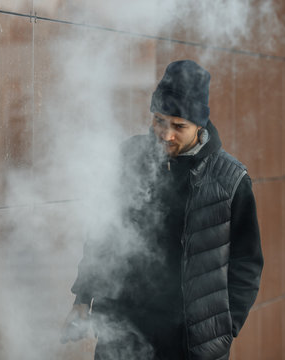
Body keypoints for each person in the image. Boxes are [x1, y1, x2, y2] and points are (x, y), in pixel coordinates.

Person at [61, 60, 263, 360]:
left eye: (179, 126)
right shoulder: (128, 158)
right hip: (124, 327)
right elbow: (103, 232)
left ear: (200, 126)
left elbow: (247, 263)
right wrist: (82, 296)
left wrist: (224, 327)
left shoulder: (230, 179)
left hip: (190, 341)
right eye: (159, 121)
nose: (165, 135)